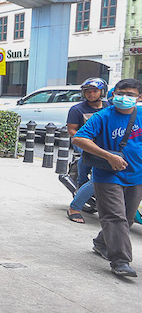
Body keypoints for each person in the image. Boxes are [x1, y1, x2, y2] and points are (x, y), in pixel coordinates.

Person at [72, 79, 142, 277]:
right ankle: (120, 261)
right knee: (115, 217)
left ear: (139, 97)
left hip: (137, 176)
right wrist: (108, 156)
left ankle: (102, 242)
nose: (124, 98)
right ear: (113, 93)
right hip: (107, 176)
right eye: (120, 93)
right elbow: (79, 138)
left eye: (130, 94)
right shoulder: (103, 116)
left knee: (127, 218)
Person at [66, 78, 109, 224]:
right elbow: (72, 130)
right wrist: (87, 142)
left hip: (108, 145)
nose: (91, 94)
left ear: (102, 92)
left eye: (95, 91)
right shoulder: (77, 109)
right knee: (97, 176)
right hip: (87, 143)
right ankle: (76, 205)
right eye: (88, 91)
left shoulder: (110, 107)